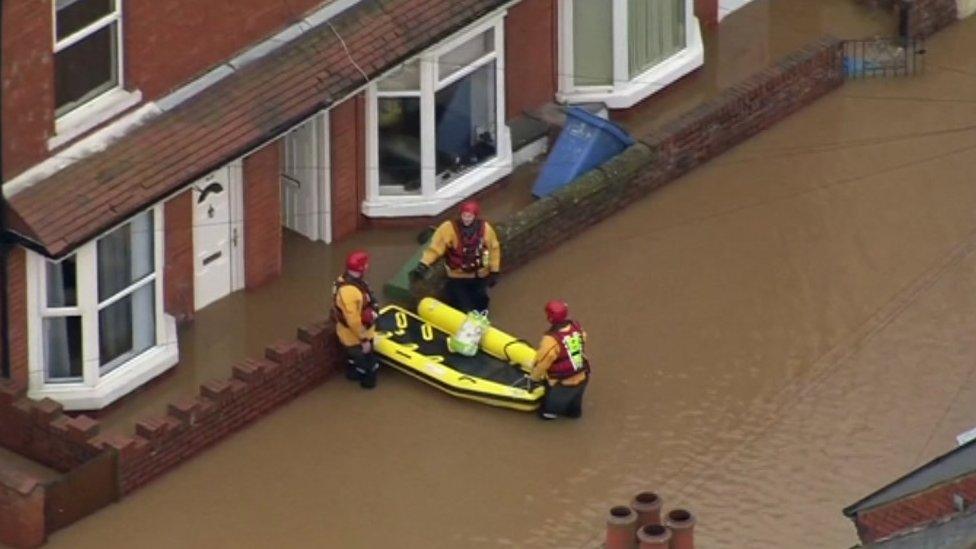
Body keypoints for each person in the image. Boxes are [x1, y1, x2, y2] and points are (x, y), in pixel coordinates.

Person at [409, 200, 500, 314]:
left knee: (481, 298)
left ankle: (481, 316)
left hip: (479, 274)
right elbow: (436, 247)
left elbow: (493, 248)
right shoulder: (448, 228)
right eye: (464, 215)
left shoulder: (485, 229)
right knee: (459, 300)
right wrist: (424, 264)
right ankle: (462, 315)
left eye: (469, 216)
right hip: (457, 274)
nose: (466, 219)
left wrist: (494, 271)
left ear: (475, 216)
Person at [530, 300, 590, 420]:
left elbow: (543, 362)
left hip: (562, 382)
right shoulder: (577, 328)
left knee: (549, 410)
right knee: (574, 410)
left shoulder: (551, 340)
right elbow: (582, 341)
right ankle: (573, 414)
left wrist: (534, 378)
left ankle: (549, 417)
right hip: (582, 375)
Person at [333, 250, 380, 389]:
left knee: (354, 359)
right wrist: (364, 340)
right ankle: (368, 381)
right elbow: (353, 321)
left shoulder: (344, 281)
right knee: (367, 362)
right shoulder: (350, 291)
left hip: (350, 334)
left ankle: (353, 372)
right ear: (361, 268)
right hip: (356, 337)